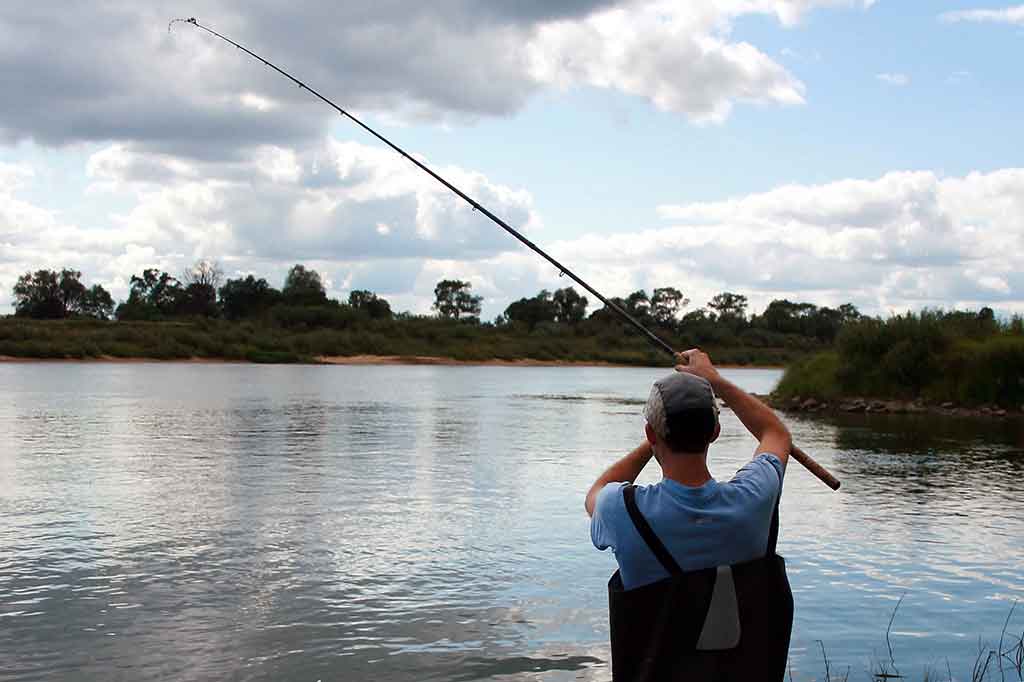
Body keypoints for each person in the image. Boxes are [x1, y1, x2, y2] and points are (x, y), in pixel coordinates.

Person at [585, 349, 794, 681]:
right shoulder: (755, 497)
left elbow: (597, 491)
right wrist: (714, 380)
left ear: (651, 434)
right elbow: (776, 434)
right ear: (715, 432)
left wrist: (657, 436)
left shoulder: (622, 510)